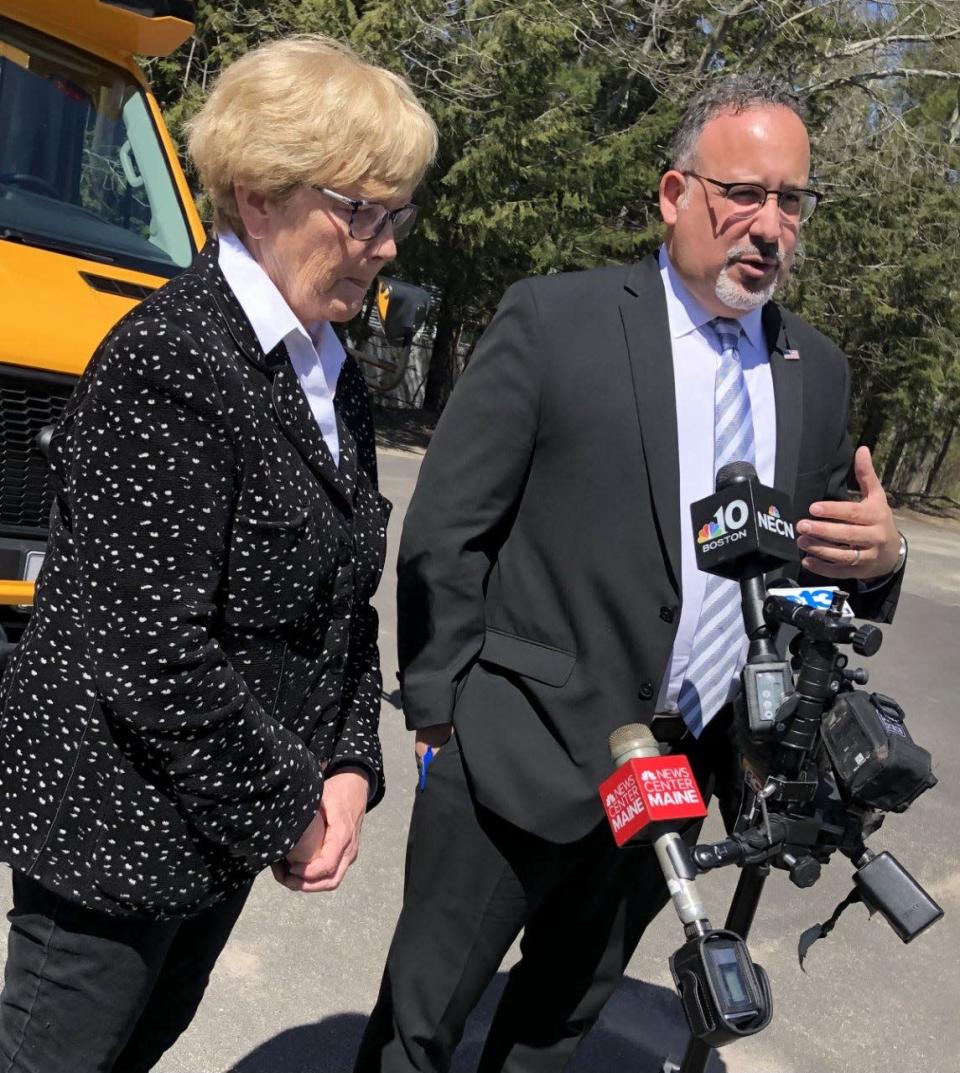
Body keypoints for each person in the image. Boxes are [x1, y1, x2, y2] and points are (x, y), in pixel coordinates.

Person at [355, 74, 907, 1073]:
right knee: (419, 1024)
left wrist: (885, 556)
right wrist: (442, 709)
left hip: (673, 778)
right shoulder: (556, 320)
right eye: (744, 192)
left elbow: (822, 563)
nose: (770, 225)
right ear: (674, 192)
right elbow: (447, 529)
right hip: (518, 753)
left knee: (559, 1024)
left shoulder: (813, 372)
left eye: (793, 200)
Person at [0, 35, 436, 1073]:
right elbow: (153, 650)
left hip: (219, 825)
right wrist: (290, 804)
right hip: (113, 829)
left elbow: (343, 597)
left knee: (139, 1047)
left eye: (397, 212)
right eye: (359, 209)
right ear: (257, 195)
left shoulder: (330, 369)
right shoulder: (170, 363)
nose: (383, 245)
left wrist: (347, 761)